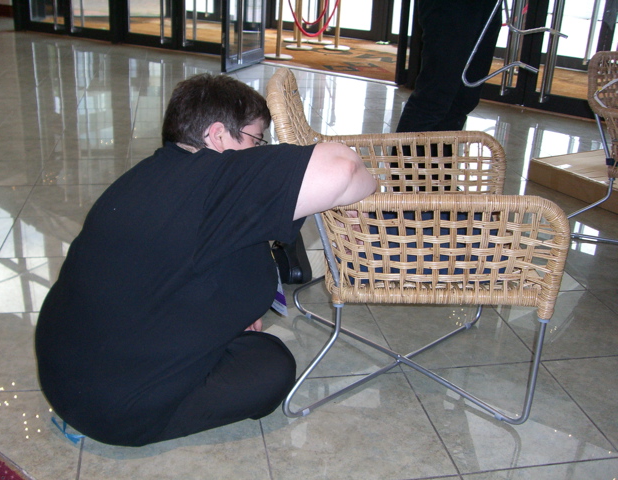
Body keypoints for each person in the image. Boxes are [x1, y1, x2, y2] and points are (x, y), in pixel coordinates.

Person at [34, 73, 376, 447]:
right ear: (217, 136)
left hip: (66, 374)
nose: (261, 151)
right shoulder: (214, 182)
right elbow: (344, 169)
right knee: (271, 366)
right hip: (117, 409)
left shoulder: (148, 176)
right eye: (256, 139)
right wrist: (376, 188)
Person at [396, 0, 502, 133]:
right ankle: (407, 153)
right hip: (450, 5)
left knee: (464, 98)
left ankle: (441, 153)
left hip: (489, 5)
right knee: (435, 97)